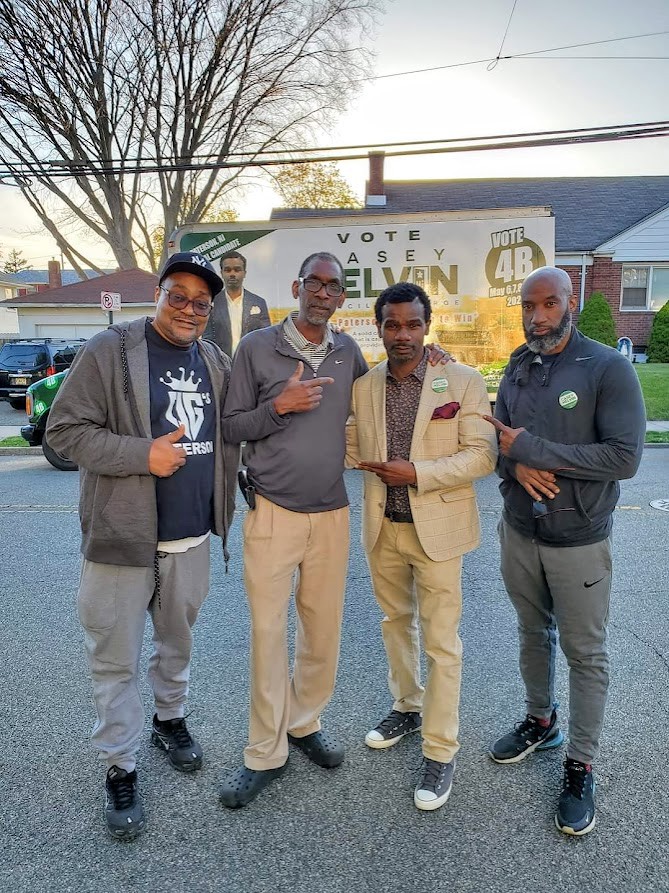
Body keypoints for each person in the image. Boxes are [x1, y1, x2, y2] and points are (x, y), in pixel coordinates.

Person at [219, 253, 449, 808]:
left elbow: (388, 391)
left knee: (322, 633)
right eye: (314, 283)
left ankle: (304, 723)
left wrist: (433, 360)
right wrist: (279, 406)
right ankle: (264, 753)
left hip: (331, 513)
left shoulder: (348, 353)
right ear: (297, 287)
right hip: (272, 511)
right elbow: (229, 426)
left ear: (342, 298)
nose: (323, 294)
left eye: (333, 287)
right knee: (268, 635)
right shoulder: (256, 349)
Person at [46, 252, 238, 840]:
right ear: (158, 294)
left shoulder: (215, 360)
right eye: (177, 296)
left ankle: (168, 719)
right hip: (121, 540)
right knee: (115, 658)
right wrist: (142, 455)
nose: (189, 309)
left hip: (191, 536)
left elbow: (238, 427)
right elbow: (64, 431)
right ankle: (120, 765)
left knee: (177, 643)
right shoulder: (110, 350)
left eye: (200, 302)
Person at [484, 266, 645, 836]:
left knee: (585, 653)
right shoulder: (518, 365)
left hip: (579, 538)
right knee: (532, 633)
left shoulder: (607, 367)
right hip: (519, 531)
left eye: (549, 304)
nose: (537, 317)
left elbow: (625, 457)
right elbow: (497, 442)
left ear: (570, 302)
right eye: (528, 306)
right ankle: (541, 720)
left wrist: (535, 451)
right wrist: (516, 464)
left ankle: (580, 765)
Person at [345, 281, 497, 811]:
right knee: (394, 623)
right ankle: (408, 706)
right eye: (392, 324)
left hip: (439, 532)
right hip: (383, 528)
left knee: (441, 644)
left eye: (413, 324)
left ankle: (440, 749)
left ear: (427, 326)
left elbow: (482, 455)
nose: (403, 334)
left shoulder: (462, 381)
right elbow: (349, 447)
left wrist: (417, 473)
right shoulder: (364, 386)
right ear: (379, 328)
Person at [203, 250, 271, 356]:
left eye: (237, 270)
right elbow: (207, 339)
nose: (232, 274)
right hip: (220, 363)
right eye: (228, 270)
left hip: (250, 362)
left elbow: (265, 338)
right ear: (221, 273)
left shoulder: (259, 302)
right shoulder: (211, 302)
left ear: (244, 273)